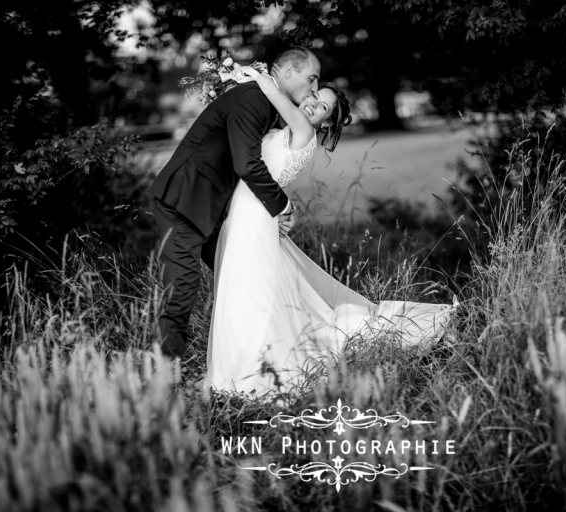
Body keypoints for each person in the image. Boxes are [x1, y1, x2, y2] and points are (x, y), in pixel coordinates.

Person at [202, 66, 458, 396]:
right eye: (312, 96)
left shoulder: (303, 131)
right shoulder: (286, 126)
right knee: (248, 290)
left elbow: (271, 90)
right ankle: (240, 365)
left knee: (254, 292)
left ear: (325, 122)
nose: (311, 105)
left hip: (253, 217)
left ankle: (251, 372)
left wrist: (244, 74)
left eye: (322, 107)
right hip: (247, 215)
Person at [149, 47, 321, 361]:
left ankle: (258, 354)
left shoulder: (267, 103)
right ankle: (167, 369)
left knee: (244, 278)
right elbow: (247, 164)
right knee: (183, 286)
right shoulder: (253, 99)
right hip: (185, 200)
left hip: (215, 208)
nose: (313, 88)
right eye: (311, 78)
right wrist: (283, 206)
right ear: (287, 72)